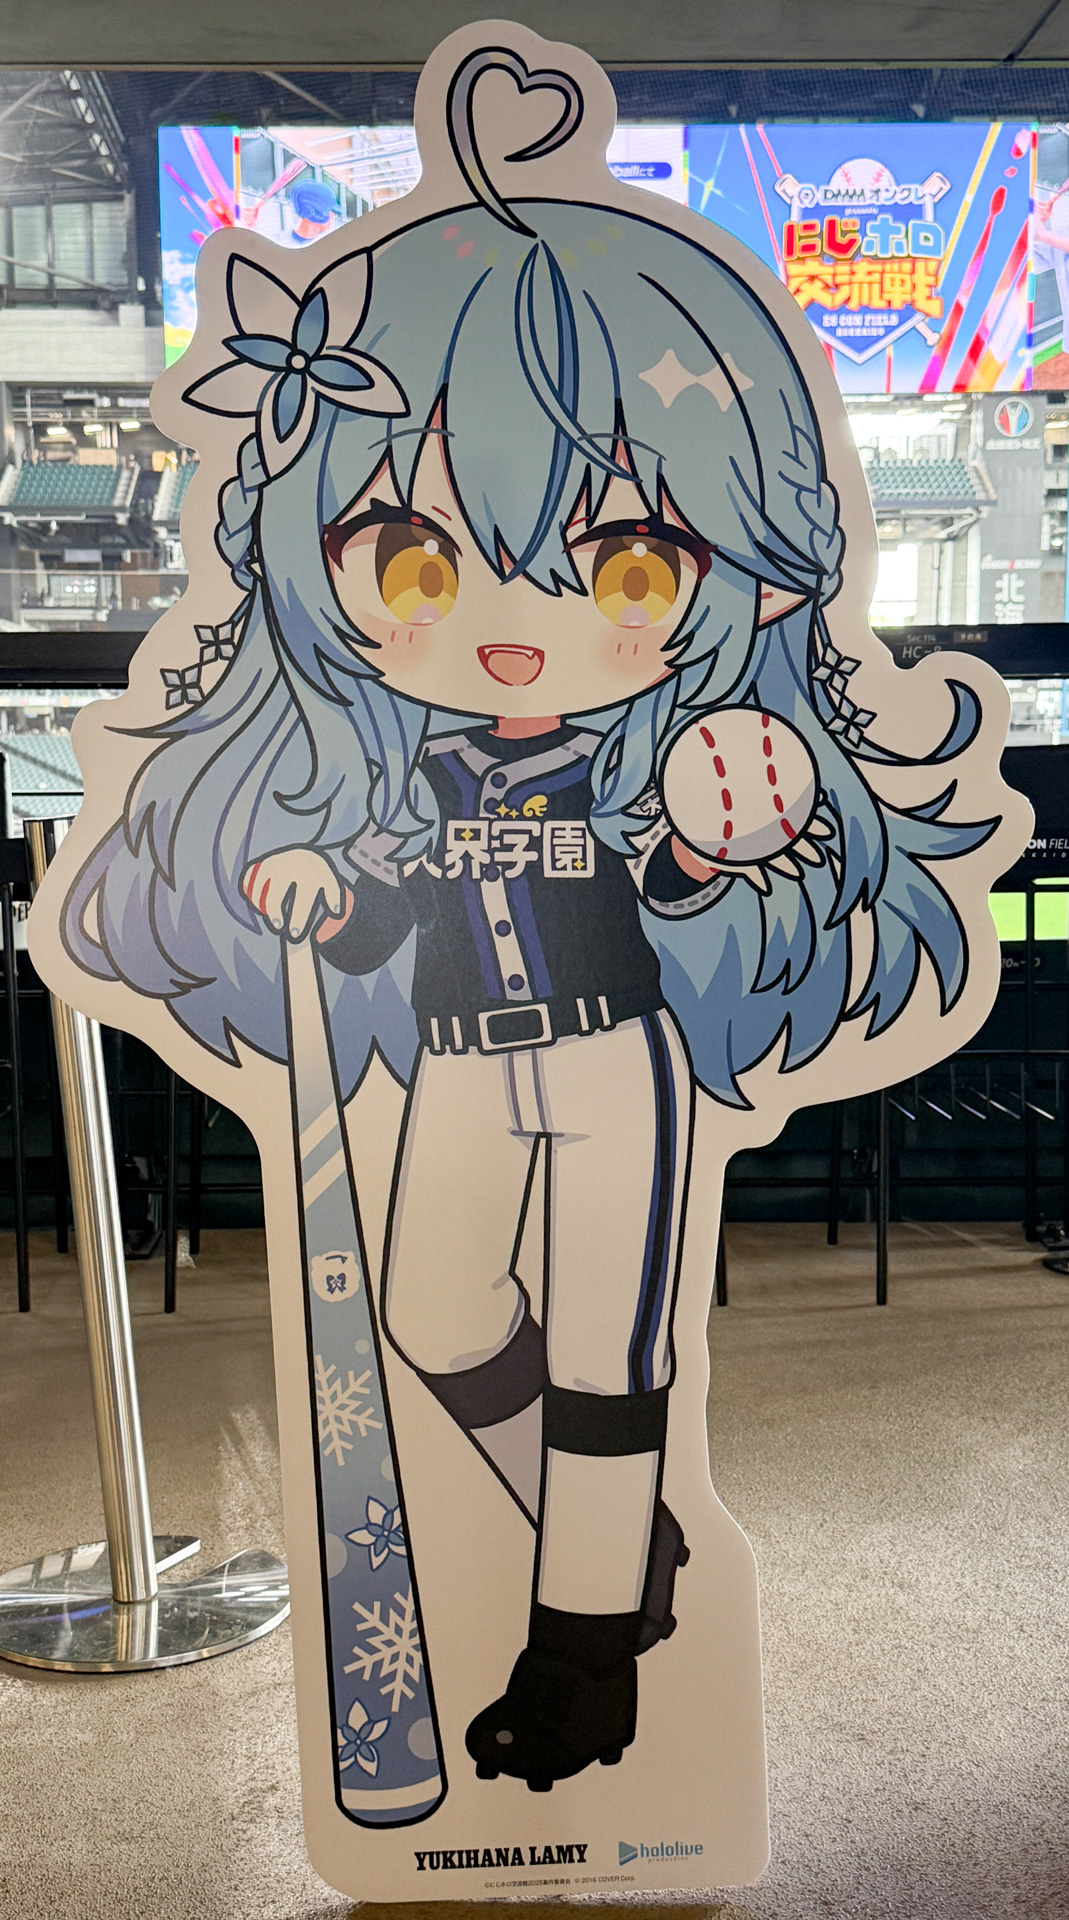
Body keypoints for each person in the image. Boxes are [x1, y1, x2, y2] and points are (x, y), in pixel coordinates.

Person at [60, 48, 991, 1796]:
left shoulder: (643, 761)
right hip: (463, 1064)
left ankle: (582, 1669)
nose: (507, 621)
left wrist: (710, 848)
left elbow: (672, 890)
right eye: (415, 559)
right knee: (434, 1317)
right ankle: (623, 1547)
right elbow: (375, 929)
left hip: (615, 1063)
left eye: (624, 564)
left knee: (613, 1355)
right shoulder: (405, 771)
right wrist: (323, 891)